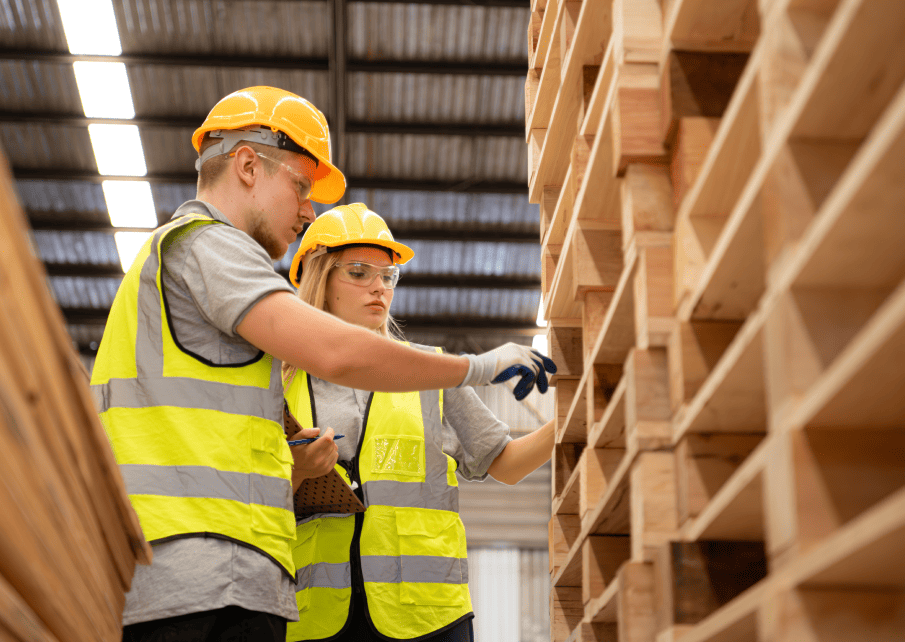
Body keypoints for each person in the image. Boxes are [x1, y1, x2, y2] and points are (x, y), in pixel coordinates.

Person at [91, 86, 555, 642]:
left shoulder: (223, 313)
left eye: (387, 276)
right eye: (299, 186)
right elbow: (338, 353)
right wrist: (478, 366)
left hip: (235, 576)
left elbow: (213, 447)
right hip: (208, 574)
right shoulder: (206, 247)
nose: (308, 208)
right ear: (246, 165)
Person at [283, 203, 556, 642]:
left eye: (387, 276)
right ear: (321, 279)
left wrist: (570, 422)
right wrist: (299, 471)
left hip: (427, 617)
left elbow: (506, 464)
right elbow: (244, 493)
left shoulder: (431, 371)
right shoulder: (277, 380)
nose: (379, 288)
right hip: (313, 615)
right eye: (358, 273)